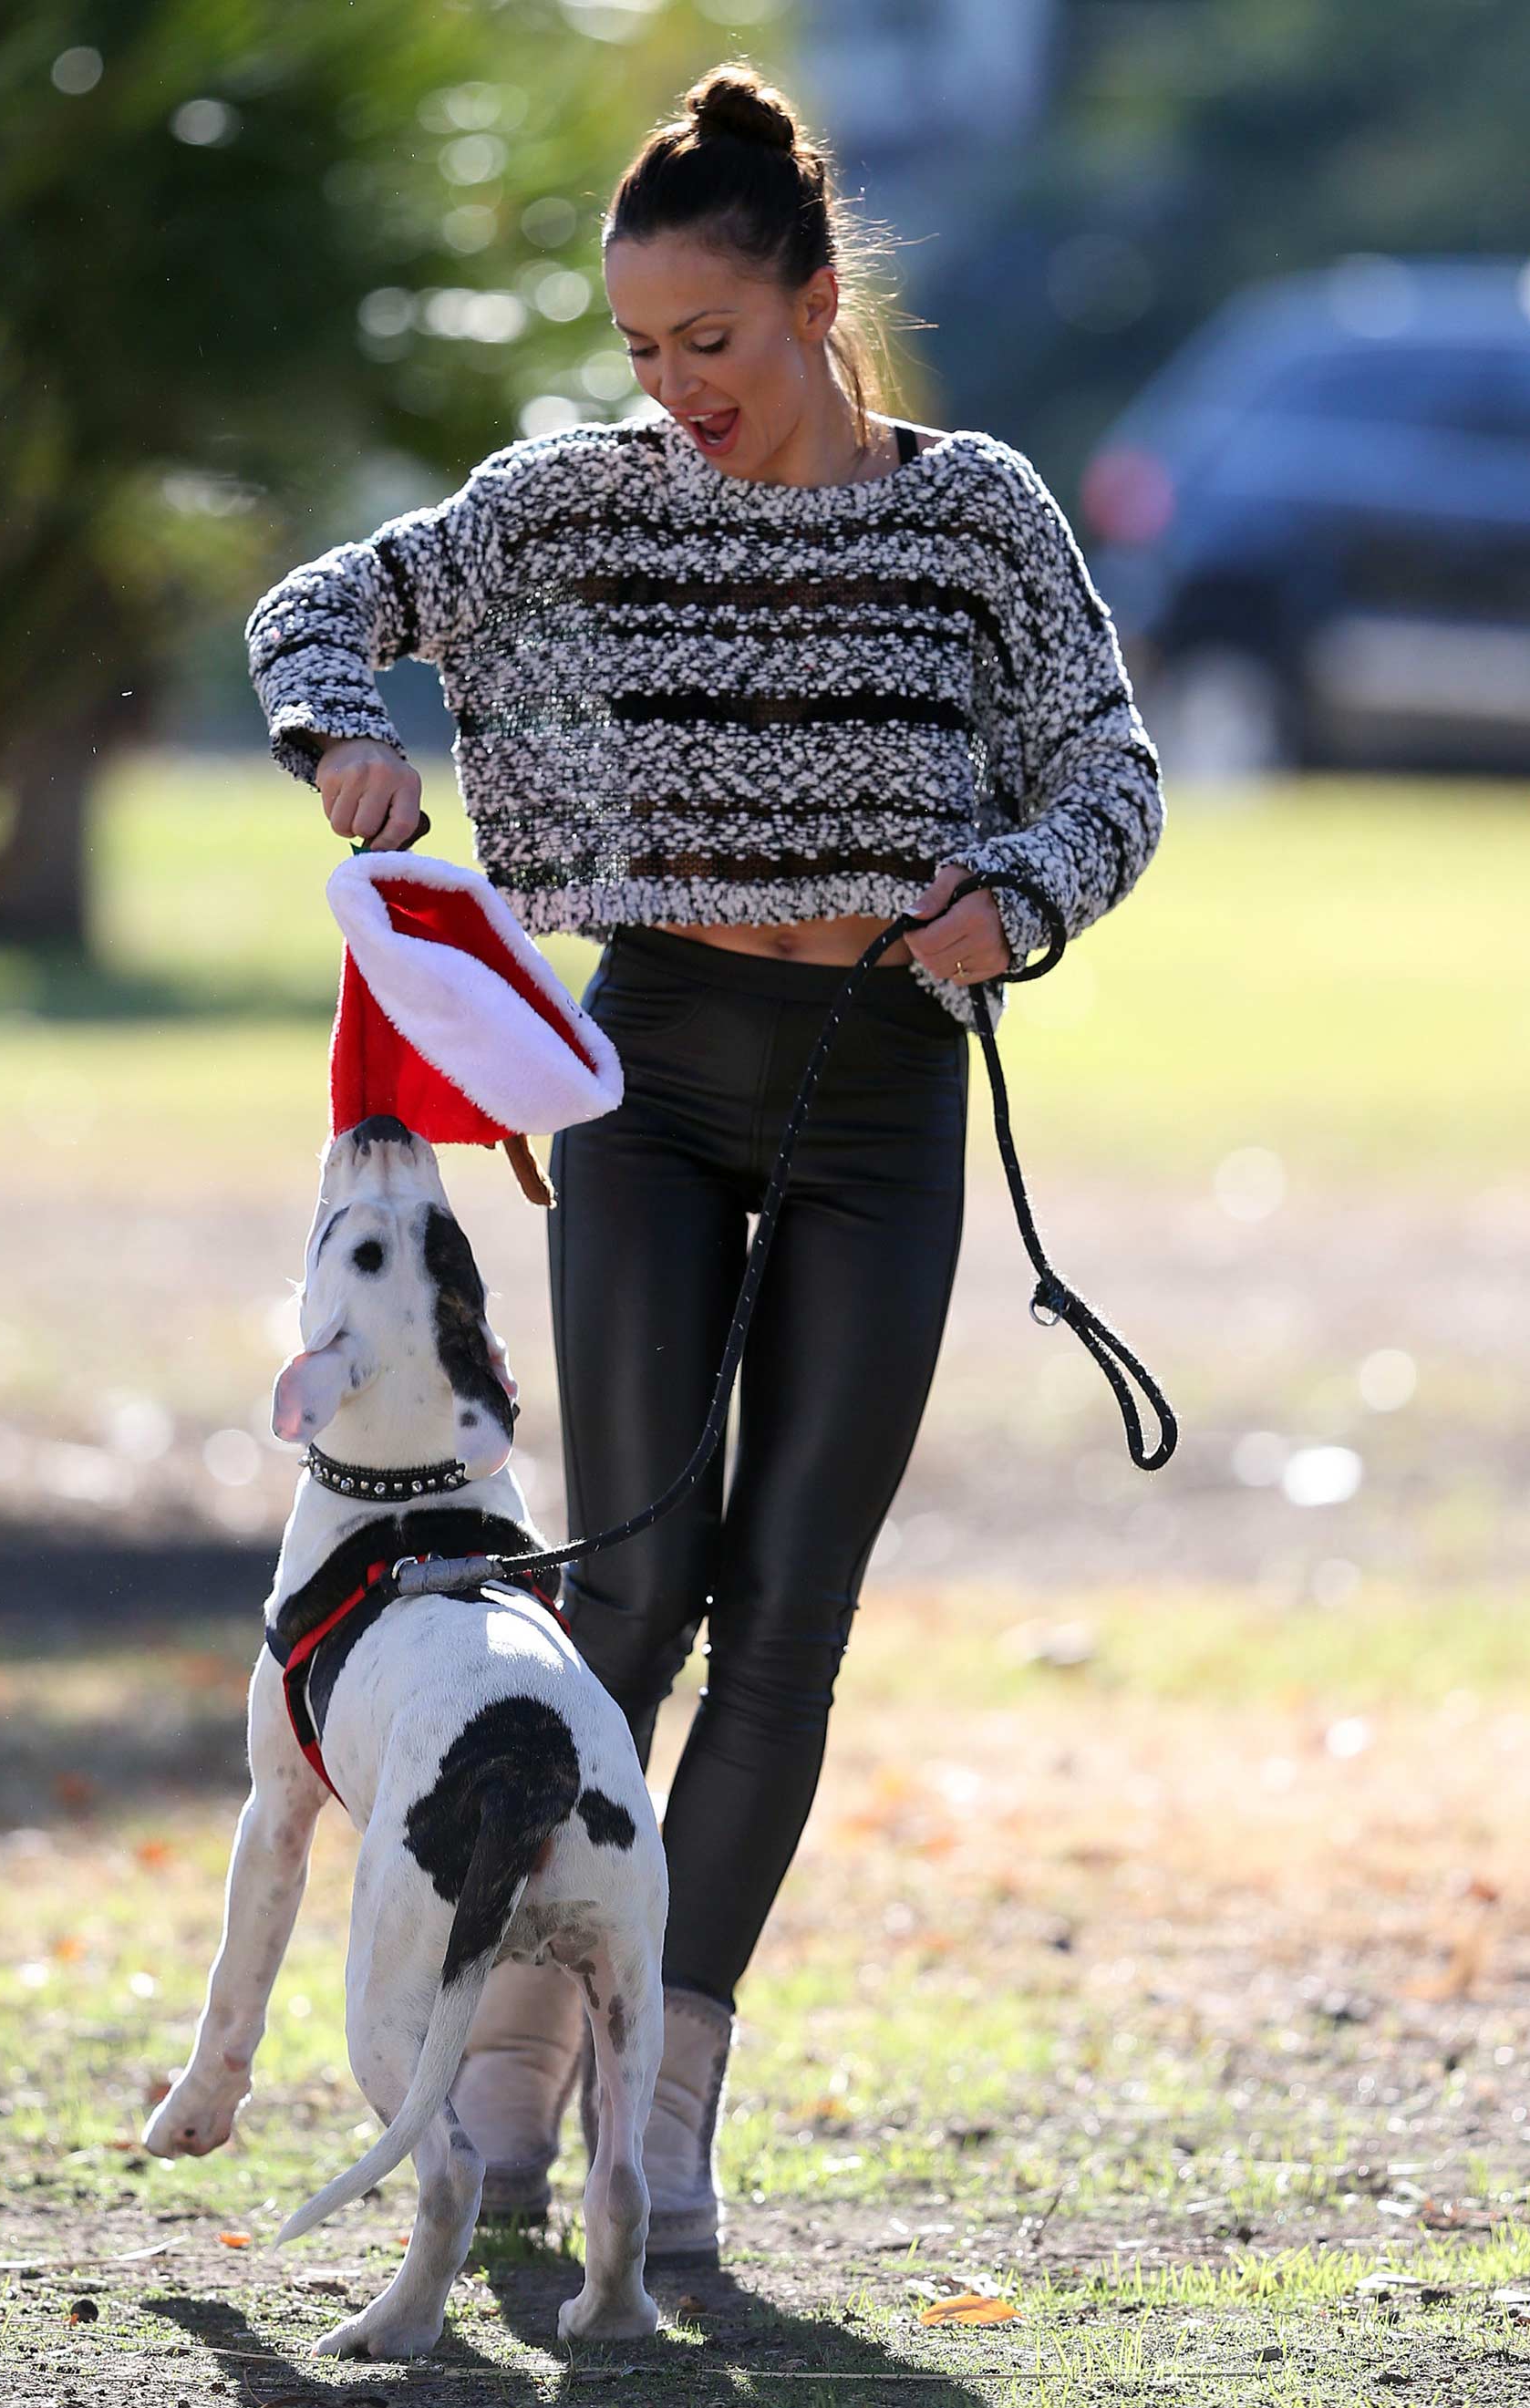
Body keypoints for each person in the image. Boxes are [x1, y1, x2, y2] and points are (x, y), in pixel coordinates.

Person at [245, 62, 1164, 2260]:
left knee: (787, 1630)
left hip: (883, 1094)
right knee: (628, 1590)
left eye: (712, 346)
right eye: (642, 353)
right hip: (645, 1072)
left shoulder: (980, 515)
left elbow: (1106, 767)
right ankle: (506, 2083)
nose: (674, 394)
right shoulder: (576, 506)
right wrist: (349, 736)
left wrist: (1014, 897)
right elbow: (311, 612)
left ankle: (669, 2110)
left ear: (818, 299)